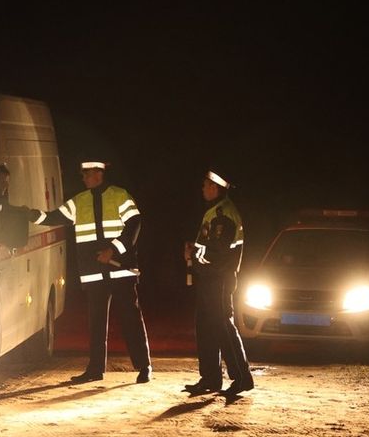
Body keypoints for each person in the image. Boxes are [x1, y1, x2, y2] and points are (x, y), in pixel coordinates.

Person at [28, 160, 153, 384]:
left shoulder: (119, 195)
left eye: (86, 174)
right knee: (96, 323)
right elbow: (52, 217)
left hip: (121, 271)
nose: (83, 178)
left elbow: (135, 223)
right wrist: (28, 215)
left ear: (98, 174)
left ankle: (144, 367)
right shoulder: (80, 201)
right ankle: (95, 369)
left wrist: (113, 249)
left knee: (131, 319)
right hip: (95, 274)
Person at [183, 168, 254, 396]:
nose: (202, 189)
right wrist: (195, 252)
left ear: (215, 187)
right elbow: (209, 247)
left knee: (223, 326)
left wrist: (193, 256)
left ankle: (242, 377)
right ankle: (210, 378)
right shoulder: (214, 212)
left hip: (219, 279)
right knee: (205, 326)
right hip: (210, 278)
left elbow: (218, 252)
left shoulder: (223, 214)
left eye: (205, 185)